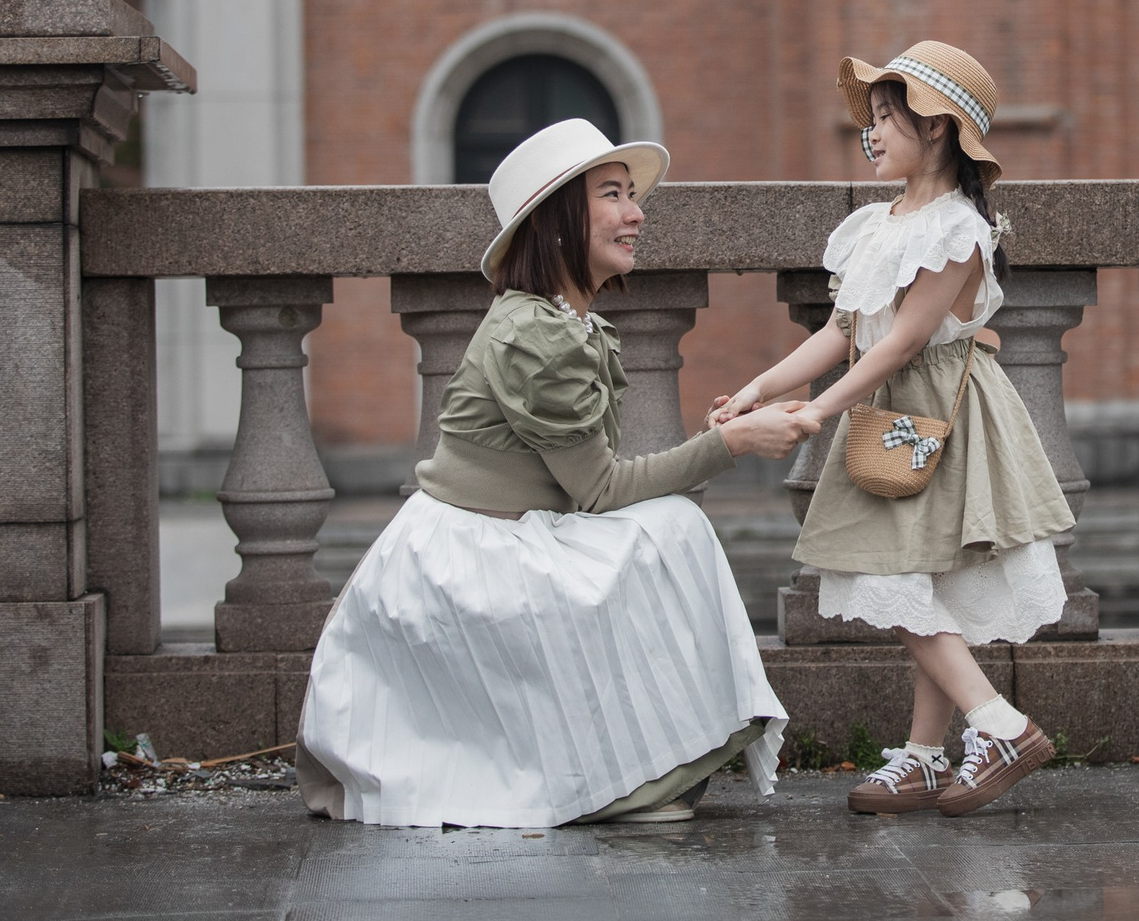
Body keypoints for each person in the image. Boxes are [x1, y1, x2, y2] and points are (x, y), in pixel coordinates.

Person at [296, 119, 817, 828]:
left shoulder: (556, 321)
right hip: (464, 565)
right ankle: (626, 780)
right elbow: (598, 489)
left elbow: (589, 483)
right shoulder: (538, 335)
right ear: (558, 221)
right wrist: (733, 445)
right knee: (674, 529)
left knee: (668, 529)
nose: (636, 213)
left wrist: (721, 435)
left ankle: (637, 768)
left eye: (632, 195)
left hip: (494, 541)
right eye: (613, 194)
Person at [712, 43, 1073, 817]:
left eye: (886, 117)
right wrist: (761, 386)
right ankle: (923, 755)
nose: (871, 133)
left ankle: (998, 723)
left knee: (887, 573)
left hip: (938, 411)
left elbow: (905, 340)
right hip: (893, 409)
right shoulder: (876, 224)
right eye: (870, 119)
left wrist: (818, 409)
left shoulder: (957, 228)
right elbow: (844, 329)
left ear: (937, 128)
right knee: (918, 580)